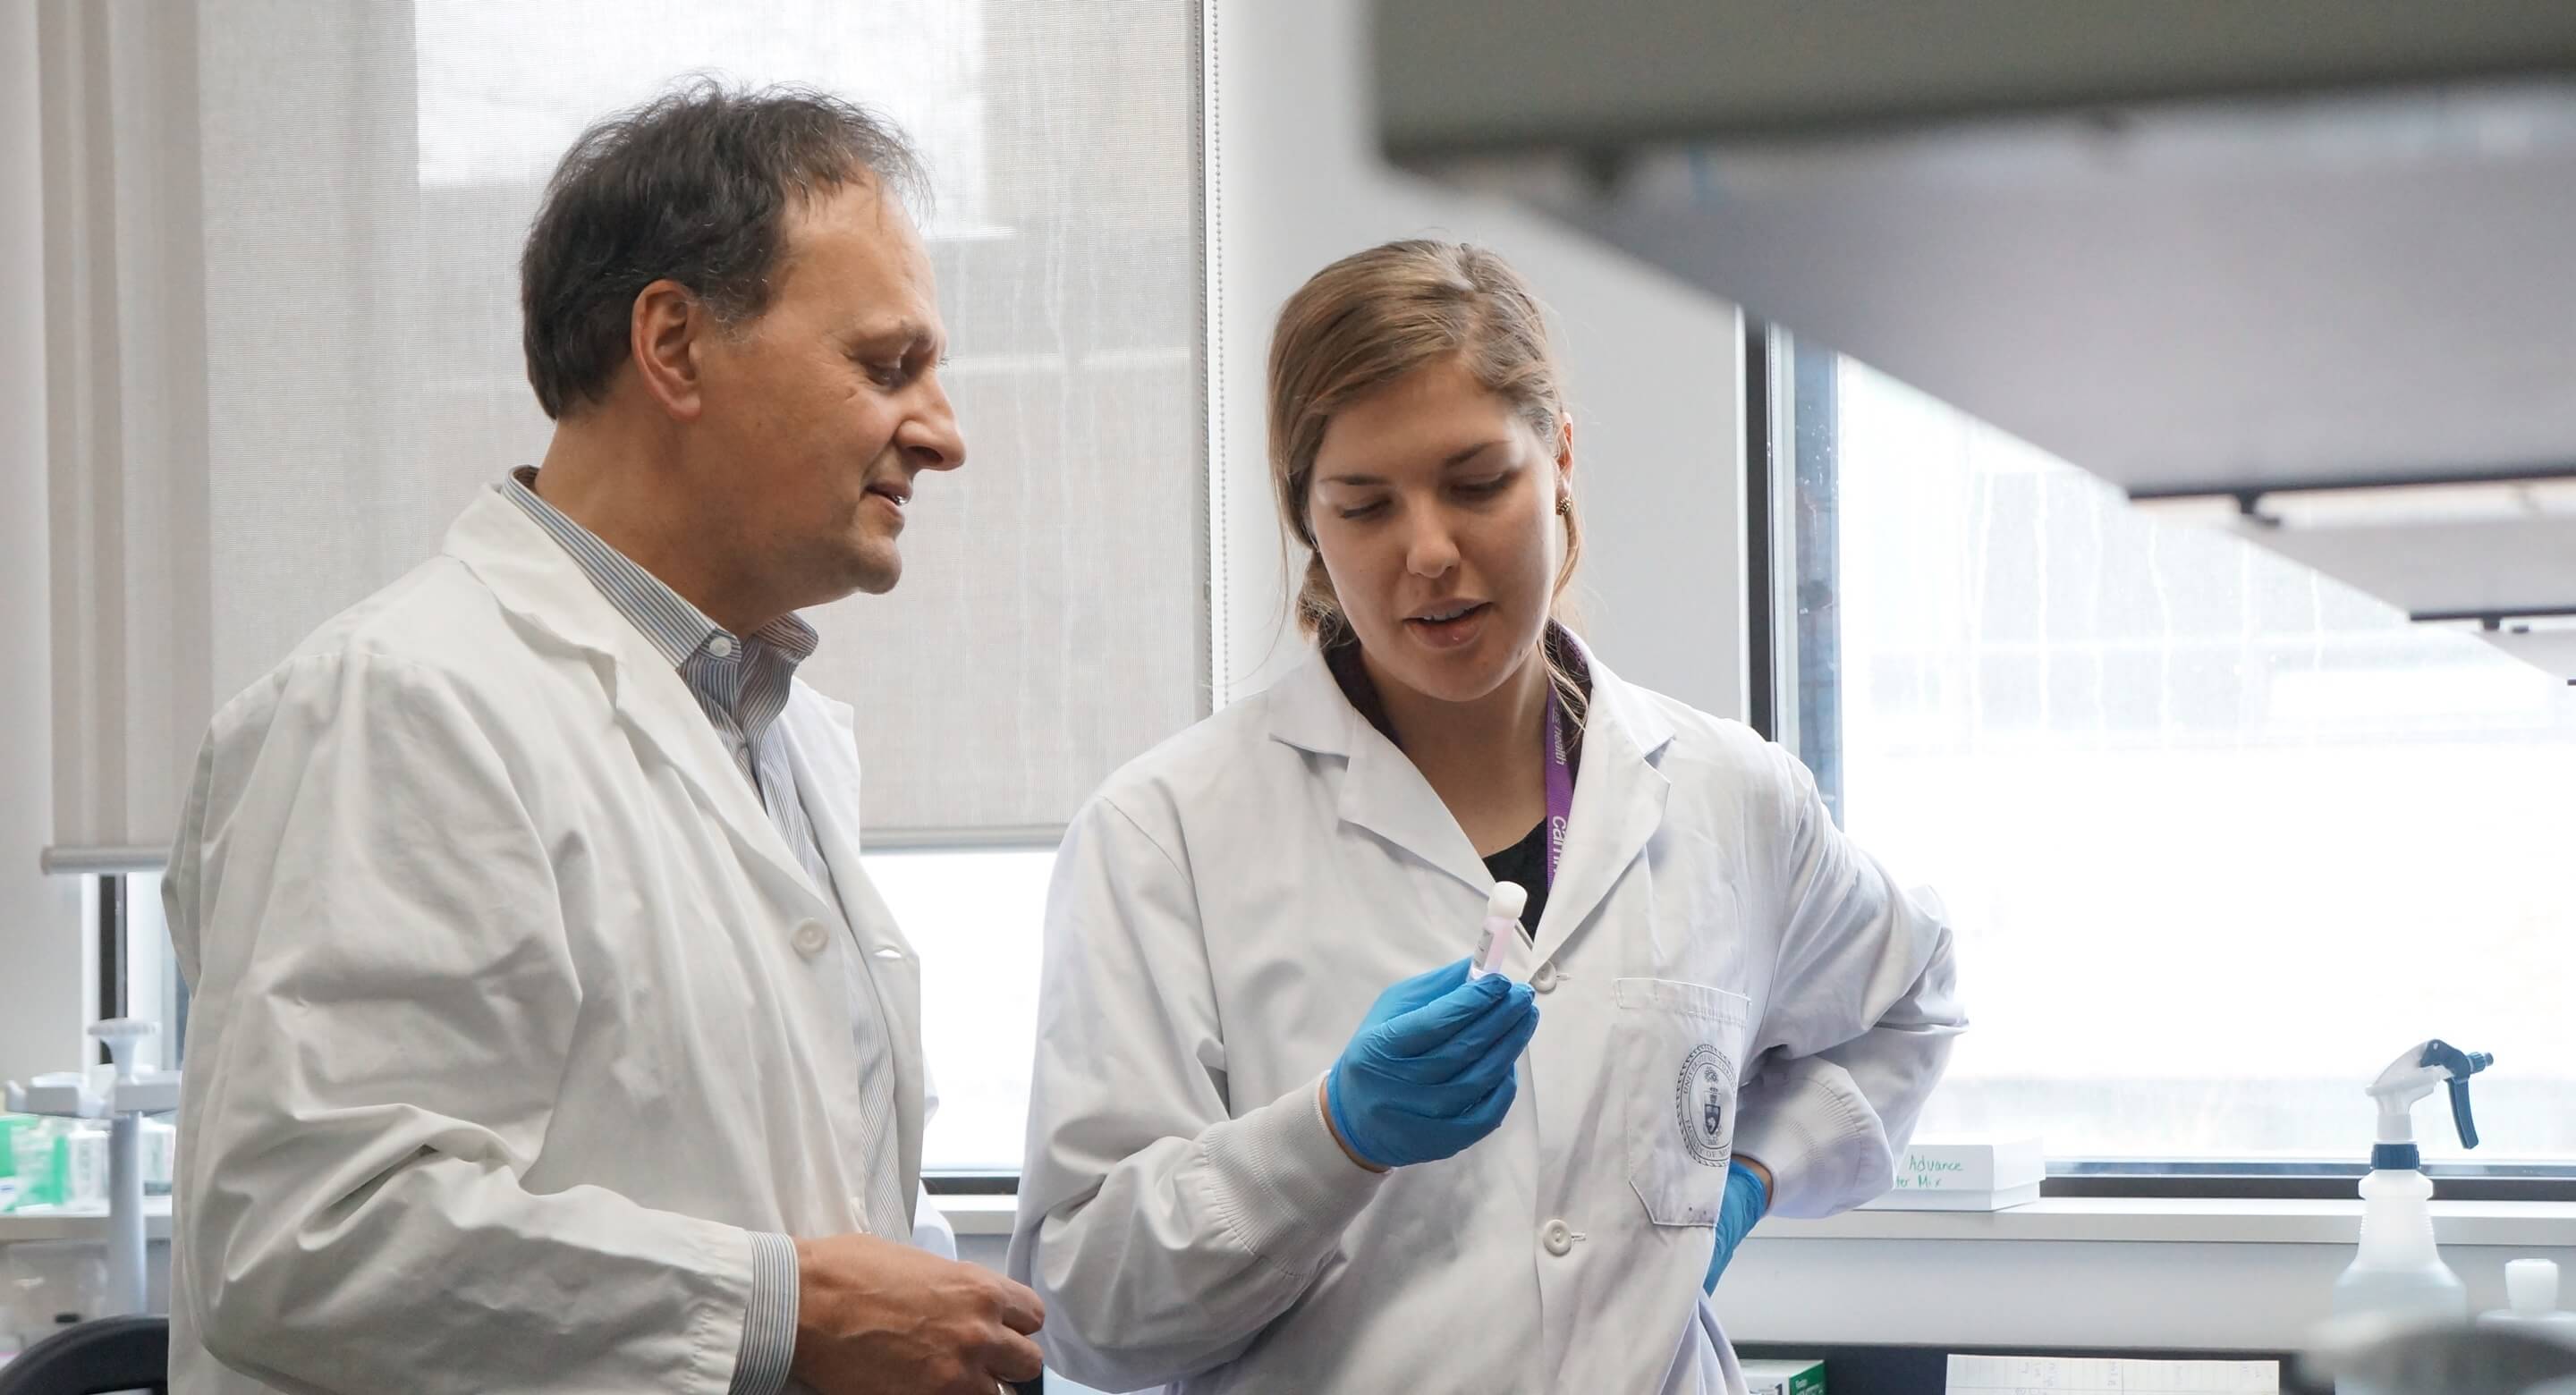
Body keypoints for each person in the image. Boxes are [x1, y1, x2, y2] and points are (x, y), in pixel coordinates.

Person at [164, 84, 1045, 1395]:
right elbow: (302, 1236)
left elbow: (809, 1205)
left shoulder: (776, 739)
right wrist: (776, 1310)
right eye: (885, 365)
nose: (942, 432)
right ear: (675, 346)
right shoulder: (403, 705)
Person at [1008, 240, 1967, 1394]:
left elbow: (1911, 1004)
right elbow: (1088, 1312)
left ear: (1558, 457)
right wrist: (1330, 1137)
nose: (1429, 553)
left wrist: (1758, 1173)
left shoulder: (1728, 798)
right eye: (1364, 506)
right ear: (1305, 518)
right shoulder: (1164, 836)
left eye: (1477, 483)